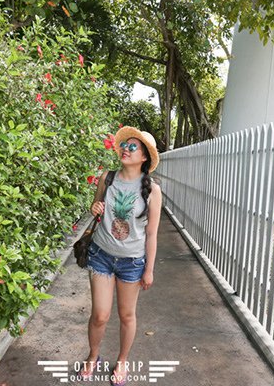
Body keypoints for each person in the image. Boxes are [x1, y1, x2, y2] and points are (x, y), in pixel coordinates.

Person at [80, 126, 162, 385]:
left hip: (132, 262)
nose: (125, 149)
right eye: (124, 145)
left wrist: (148, 269)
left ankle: (123, 360)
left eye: (132, 146)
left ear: (145, 156)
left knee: (127, 315)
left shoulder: (152, 191)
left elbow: (151, 234)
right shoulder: (108, 178)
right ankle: (93, 356)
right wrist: (95, 207)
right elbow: (96, 209)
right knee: (100, 315)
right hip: (101, 255)